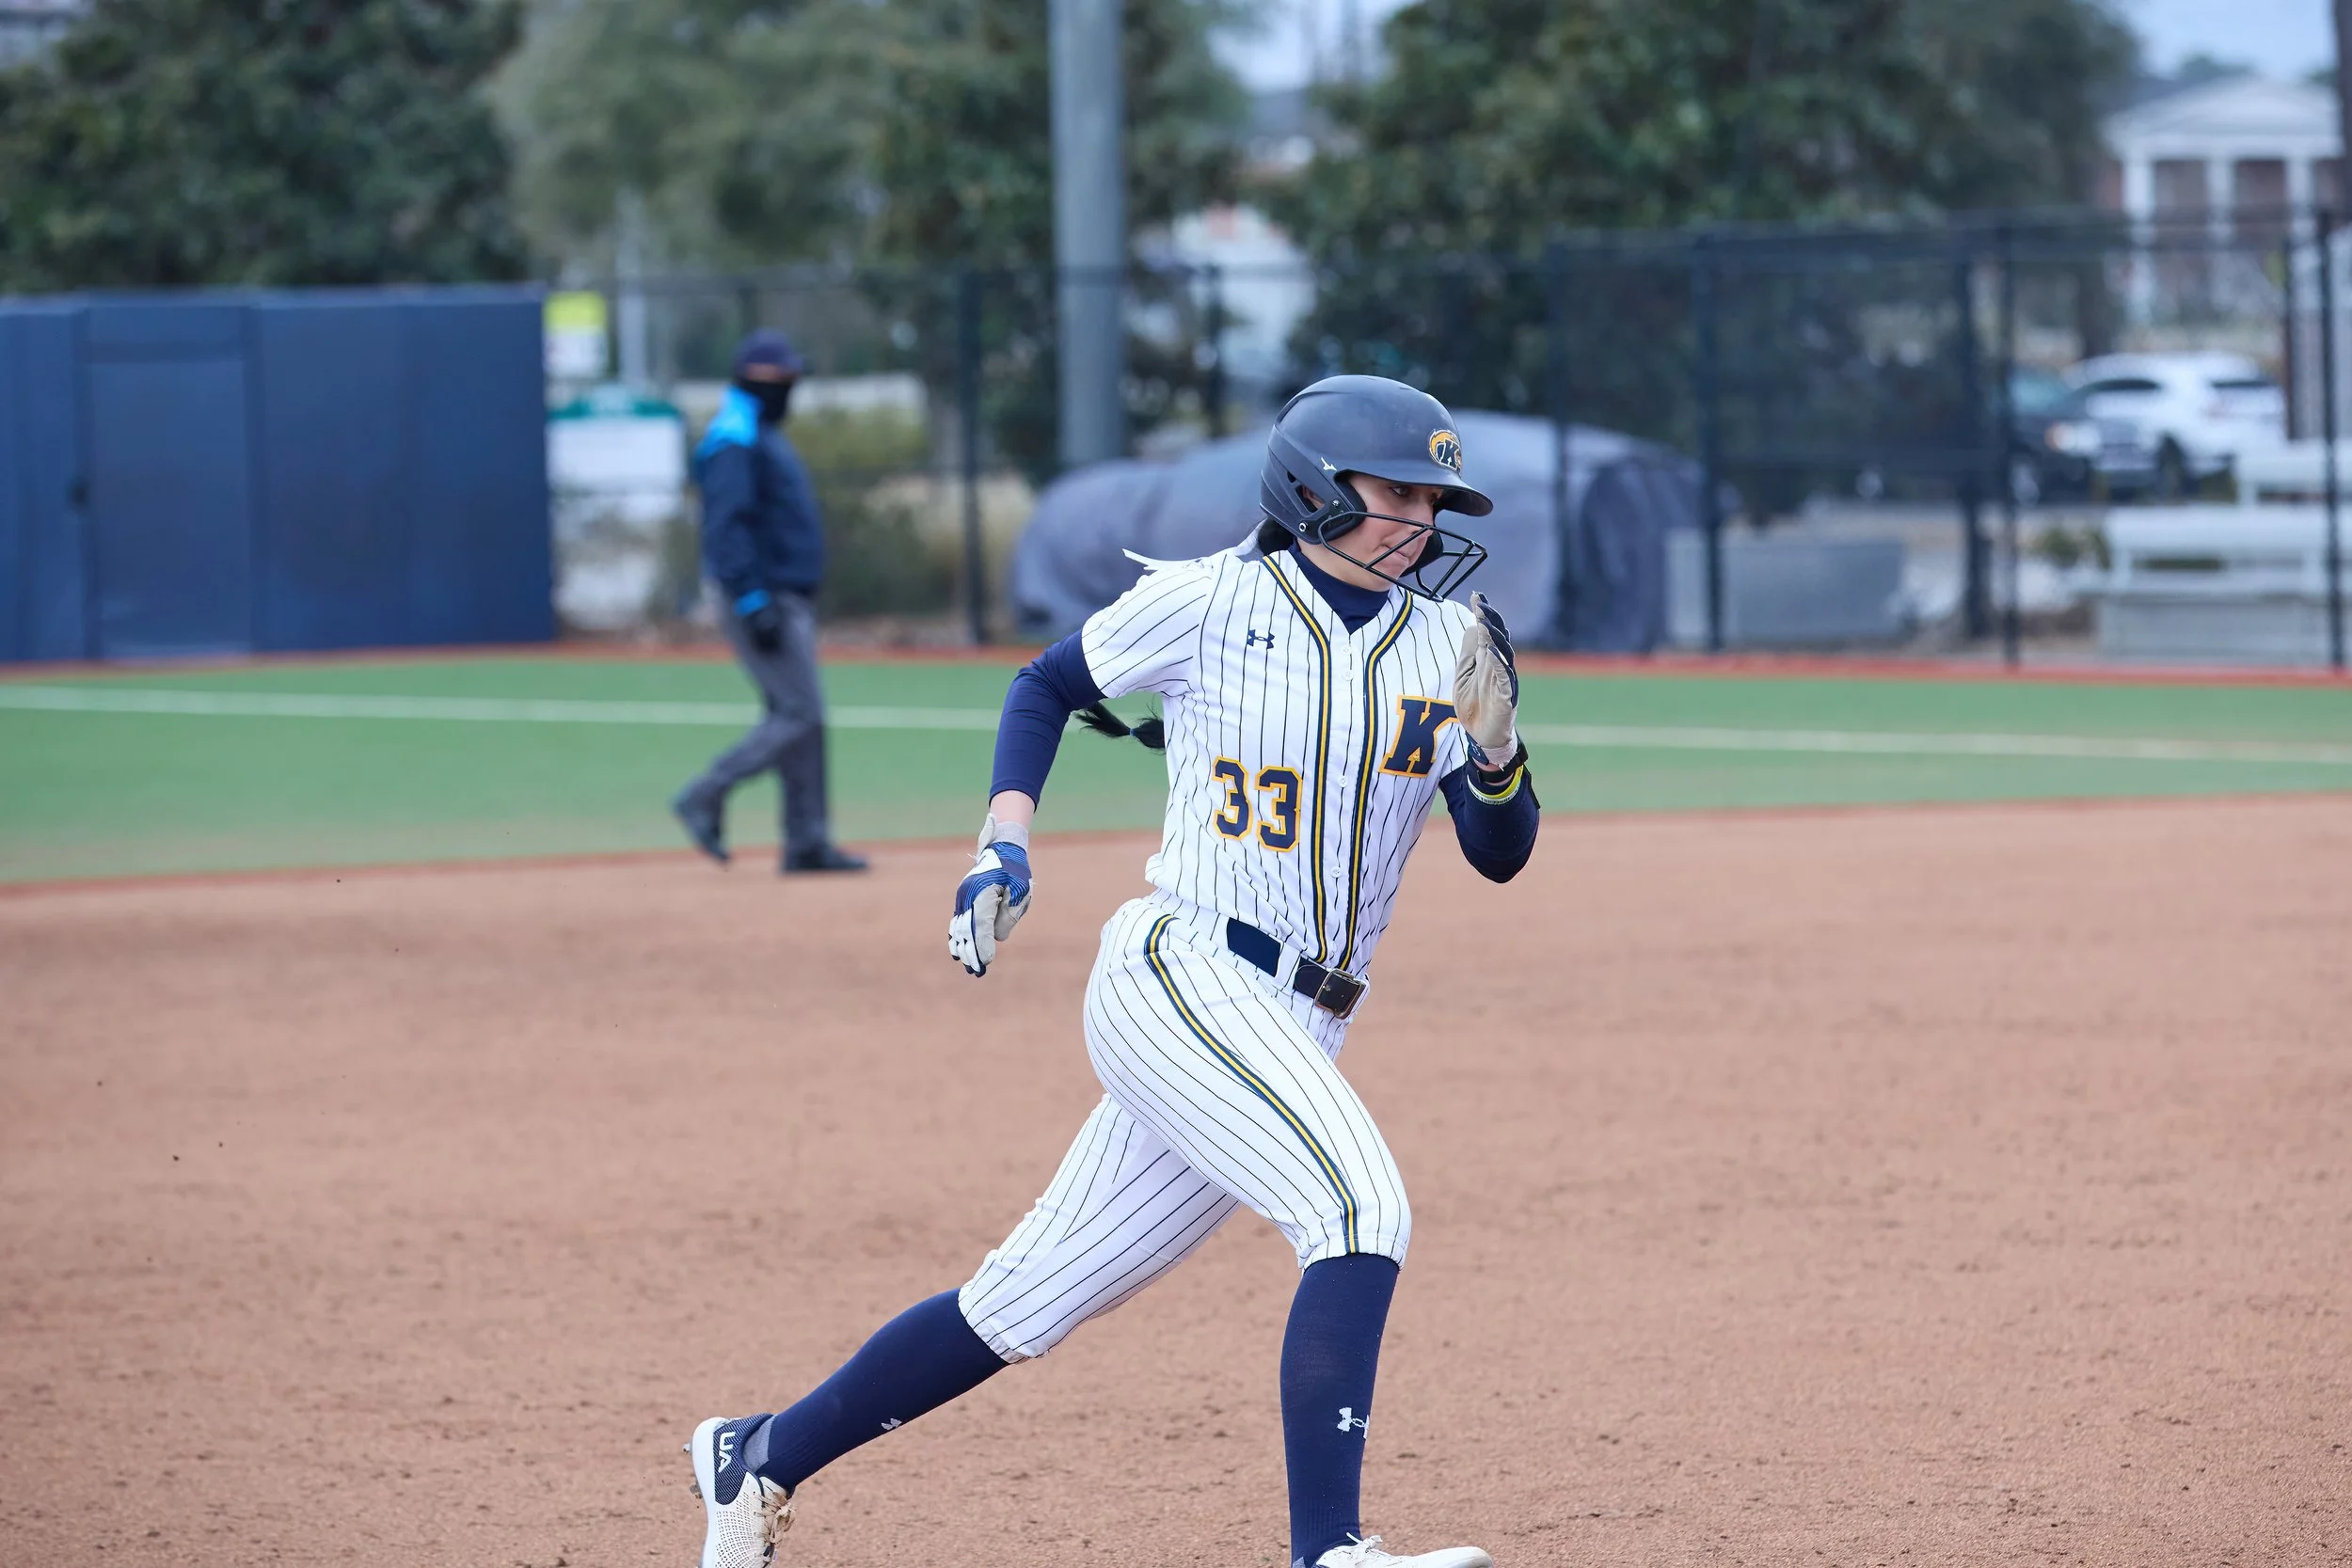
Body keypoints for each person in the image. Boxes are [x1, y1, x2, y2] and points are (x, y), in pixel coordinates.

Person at [684, 375, 1541, 1568]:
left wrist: (1496, 752)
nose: (1422, 519)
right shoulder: (1208, 600)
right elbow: (1046, 684)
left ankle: (760, 1455)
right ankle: (1328, 1551)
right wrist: (1002, 842)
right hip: (1182, 972)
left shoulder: (1445, 643)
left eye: (1435, 501)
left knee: (1021, 1301)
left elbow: (1499, 852)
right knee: (1359, 1209)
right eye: (1396, 492)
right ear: (1312, 489)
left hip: (1301, 1019)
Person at [672, 329, 867, 875]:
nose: (791, 389)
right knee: (799, 713)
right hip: (762, 595)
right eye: (784, 380)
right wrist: (753, 600)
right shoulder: (734, 438)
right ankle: (705, 793)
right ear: (757, 382)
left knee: (802, 715)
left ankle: (806, 841)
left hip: (783, 592)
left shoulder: (755, 431)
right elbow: (726, 527)